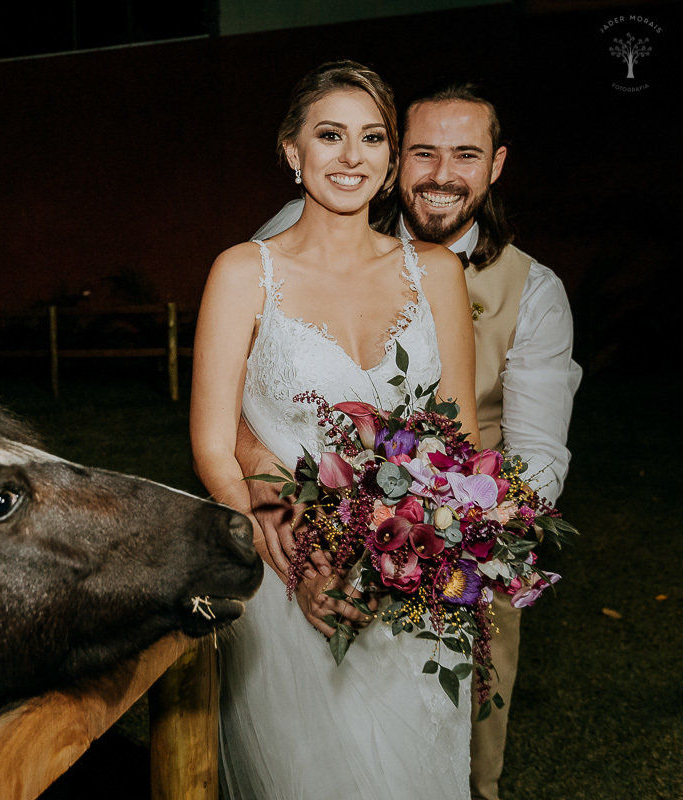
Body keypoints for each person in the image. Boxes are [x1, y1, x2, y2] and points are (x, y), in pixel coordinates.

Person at [246, 81, 582, 800]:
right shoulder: (305, 227)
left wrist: (463, 527)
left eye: (465, 154)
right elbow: (251, 390)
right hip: (308, 533)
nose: (440, 174)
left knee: (457, 759)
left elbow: (539, 452)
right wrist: (265, 480)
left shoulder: (537, 292)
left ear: (495, 166)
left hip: (453, 547)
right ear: (397, 162)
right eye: (422, 152)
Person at [191, 61, 480, 799]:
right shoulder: (241, 273)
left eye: (372, 138)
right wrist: (299, 552)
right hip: (290, 582)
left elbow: (461, 448)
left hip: (414, 591)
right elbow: (216, 446)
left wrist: (435, 562)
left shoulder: (439, 273)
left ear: (389, 163)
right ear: (293, 151)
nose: (351, 156)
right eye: (330, 135)